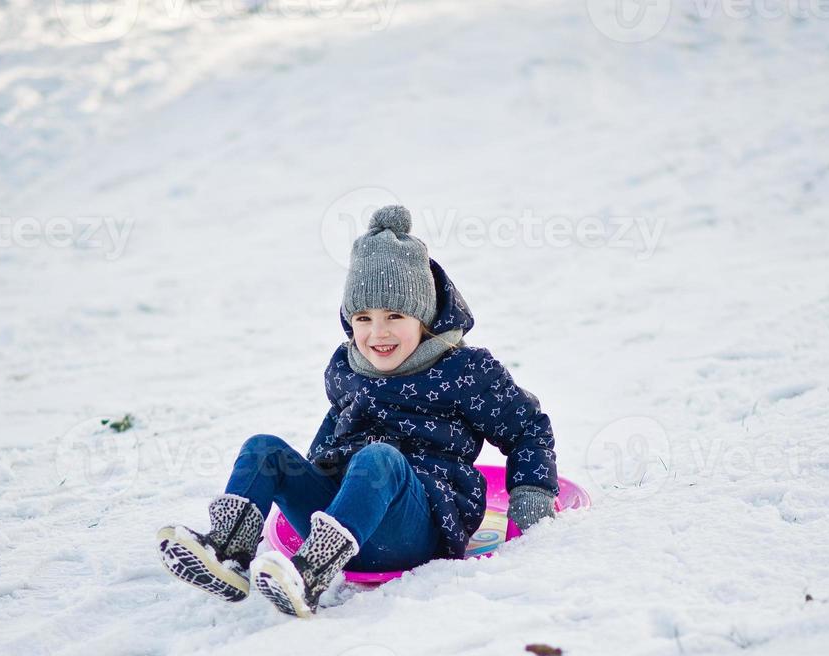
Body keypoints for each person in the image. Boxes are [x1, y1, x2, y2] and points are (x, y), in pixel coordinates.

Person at [158, 204, 560, 617]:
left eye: (395, 316)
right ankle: (229, 552)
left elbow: (528, 429)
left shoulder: (464, 371)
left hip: (417, 527)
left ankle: (311, 573)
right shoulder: (346, 368)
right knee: (263, 449)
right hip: (343, 520)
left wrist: (531, 496)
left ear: (423, 318)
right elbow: (335, 432)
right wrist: (309, 482)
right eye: (363, 318)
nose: (377, 333)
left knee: (380, 458)